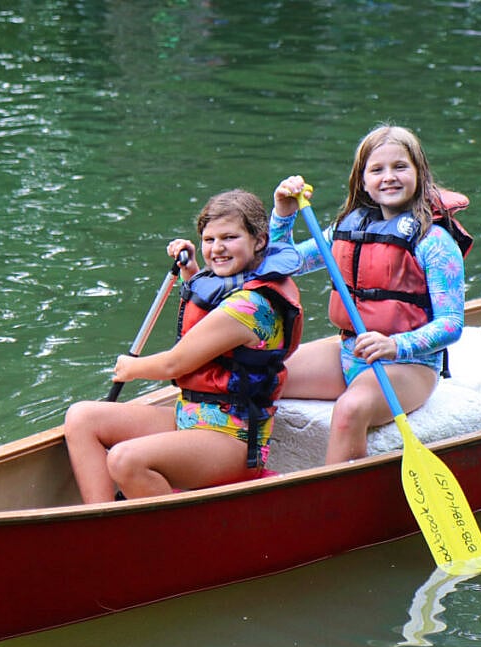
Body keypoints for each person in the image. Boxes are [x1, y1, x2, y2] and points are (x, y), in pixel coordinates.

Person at [65, 189, 303, 503]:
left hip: (232, 441)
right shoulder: (233, 287)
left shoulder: (251, 307)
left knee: (125, 459)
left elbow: (175, 365)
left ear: (259, 240)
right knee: (81, 417)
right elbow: (206, 303)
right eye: (209, 240)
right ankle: (100, 522)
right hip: (190, 417)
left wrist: (131, 367)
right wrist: (191, 270)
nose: (217, 248)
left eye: (229, 237)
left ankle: (171, 541)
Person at [269, 124, 472, 464]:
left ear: (420, 174)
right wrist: (283, 215)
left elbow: (451, 324)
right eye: (377, 169)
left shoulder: (434, 242)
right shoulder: (347, 228)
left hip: (410, 365)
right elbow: (282, 264)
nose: (389, 177)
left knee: (350, 408)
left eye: (400, 167)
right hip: (351, 352)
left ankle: (335, 504)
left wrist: (395, 345)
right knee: (264, 375)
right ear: (362, 180)